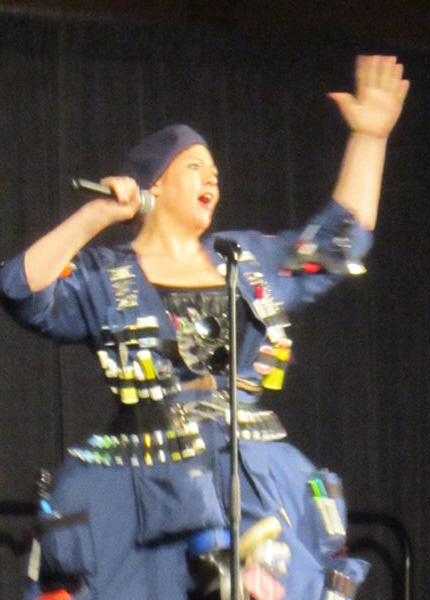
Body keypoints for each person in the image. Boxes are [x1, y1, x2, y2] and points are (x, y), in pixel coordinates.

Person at [0, 55, 408, 600]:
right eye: (194, 166)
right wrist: (97, 215)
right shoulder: (107, 275)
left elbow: (338, 243)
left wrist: (370, 139)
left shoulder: (247, 259)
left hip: (252, 477)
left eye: (214, 170)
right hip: (142, 485)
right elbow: (21, 288)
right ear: (154, 185)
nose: (212, 177)